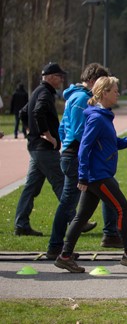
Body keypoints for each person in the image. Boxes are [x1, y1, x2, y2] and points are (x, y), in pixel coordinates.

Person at [54, 76, 127, 273]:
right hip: (97, 176)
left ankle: (64, 256)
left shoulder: (104, 115)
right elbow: (84, 148)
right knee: (123, 208)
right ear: (104, 93)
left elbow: (114, 143)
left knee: (81, 217)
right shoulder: (97, 118)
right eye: (115, 90)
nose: (118, 93)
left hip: (97, 174)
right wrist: (82, 176)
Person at [46, 63, 123, 260]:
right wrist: (95, 150)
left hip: (71, 153)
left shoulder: (73, 97)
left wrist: (65, 143)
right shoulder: (82, 98)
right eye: (101, 82)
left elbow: (64, 126)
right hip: (76, 157)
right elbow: (84, 134)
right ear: (92, 81)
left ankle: (110, 234)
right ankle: (57, 247)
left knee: (90, 201)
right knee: (70, 203)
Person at [14, 63, 67, 236]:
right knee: (61, 183)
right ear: (50, 77)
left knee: (31, 187)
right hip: (44, 149)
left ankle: (21, 224)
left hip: (36, 147)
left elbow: (23, 113)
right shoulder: (45, 93)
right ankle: (76, 220)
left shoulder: (37, 91)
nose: (61, 80)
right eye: (59, 76)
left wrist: (31, 130)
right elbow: (38, 112)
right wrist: (46, 134)